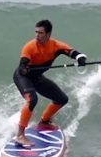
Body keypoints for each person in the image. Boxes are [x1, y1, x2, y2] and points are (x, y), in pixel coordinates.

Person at [13, 19, 86, 147]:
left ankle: (44, 121)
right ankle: (20, 135)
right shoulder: (30, 47)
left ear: (48, 34)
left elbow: (72, 52)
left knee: (61, 99)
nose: (37, 35)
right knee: (32, 100)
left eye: (40, 33)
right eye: (36, 32)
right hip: (23, 77)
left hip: (37, 77)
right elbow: (22, 65)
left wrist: (80, 58)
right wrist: (24, 68)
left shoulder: (56, 46)